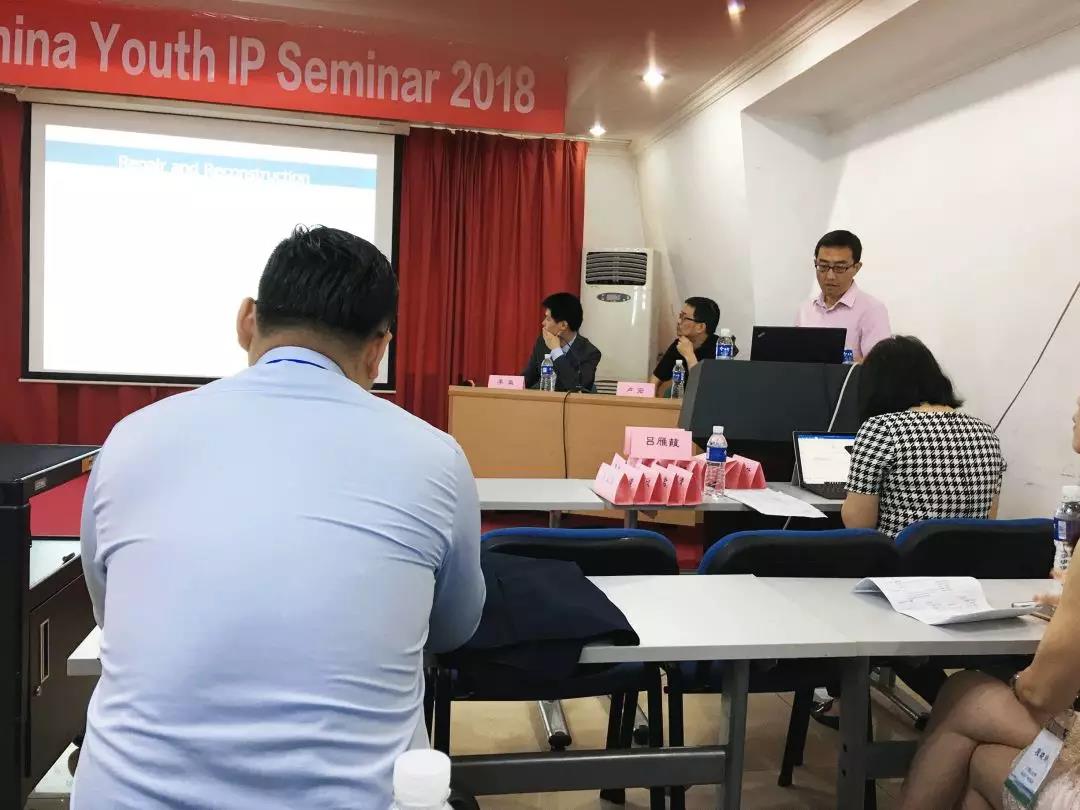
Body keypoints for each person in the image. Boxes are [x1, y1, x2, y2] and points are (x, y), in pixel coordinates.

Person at [72, 227, 486, 809]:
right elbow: (453, 628)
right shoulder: (436, 457)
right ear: (378, 349)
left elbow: (109, 607)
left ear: (247, 319)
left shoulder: (129, 439)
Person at [898, 396, 1080, 810]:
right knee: (979, 752)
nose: (1074, 410)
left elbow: (1043, 693)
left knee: (967, 702)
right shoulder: (983, 436)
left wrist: (1015, 680)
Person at [842, 335, 1005, 538]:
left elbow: (858, 523)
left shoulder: (881, 428)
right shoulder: (986, 433)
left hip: (898, 556)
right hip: (970, 557)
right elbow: (990, 517)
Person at [796, 229, 891, 361]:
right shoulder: (805, 310)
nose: (830, 276)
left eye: (839, 268)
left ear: (856, 268)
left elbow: (879, 363)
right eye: (823, 266)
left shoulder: (872, 310)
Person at [650, 296, 736, 397]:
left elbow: (706, 390)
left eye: (684, 318)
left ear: (700, 327)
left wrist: (689, 355)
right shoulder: (679, 344)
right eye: (680, 316)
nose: (678, 321)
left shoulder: (722, 349)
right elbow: (654, 381)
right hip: (683, 401)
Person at [521, 292, 602, 392]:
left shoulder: (590, 353)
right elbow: (527, 379)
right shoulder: (542, 342)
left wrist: (556, 351)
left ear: (563, 325)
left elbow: (578, 387)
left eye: (548, 319)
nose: (543, 323)